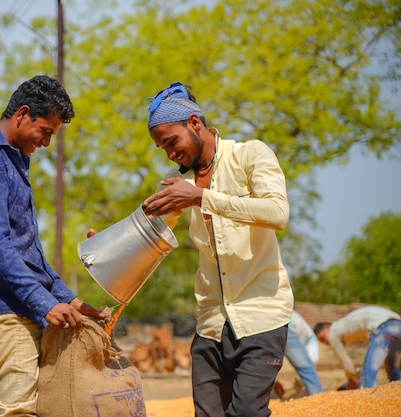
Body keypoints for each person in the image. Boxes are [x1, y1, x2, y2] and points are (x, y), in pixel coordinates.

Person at [142, 81, 294, 417]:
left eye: (172, 142)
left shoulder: (249, 155)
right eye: (162, 148)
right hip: (210, 324)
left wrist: (202, 197)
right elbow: (149, 232)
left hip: (261, 316)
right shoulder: (174, 179)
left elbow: (278, 213)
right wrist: (110, 244)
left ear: (194, 123)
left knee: (246, 414)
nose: (170, 154)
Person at [0, 74, 105, 416]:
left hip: (29, 308)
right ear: (23, 114)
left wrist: (69, 299)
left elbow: (30, 255)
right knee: (19, 410)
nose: (47, 143)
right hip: (10, 314)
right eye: (46, 132)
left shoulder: (13, 162)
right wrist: (44, 303)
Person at [314, 305, 401, 389]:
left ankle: (368, 402)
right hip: (397, 324)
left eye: (322, 339)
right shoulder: (348, 326)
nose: (325, 343)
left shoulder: (332, 333)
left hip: (384, 326)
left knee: (367, 371)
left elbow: (347, 365)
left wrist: (353, 382)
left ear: (326, 327)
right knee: (392, 368)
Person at [279, 310, 323, 396]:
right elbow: (312, 362)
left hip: (266, 325)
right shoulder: (310, 340)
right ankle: (319, 398)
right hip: (284, 326)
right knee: (307, 370)